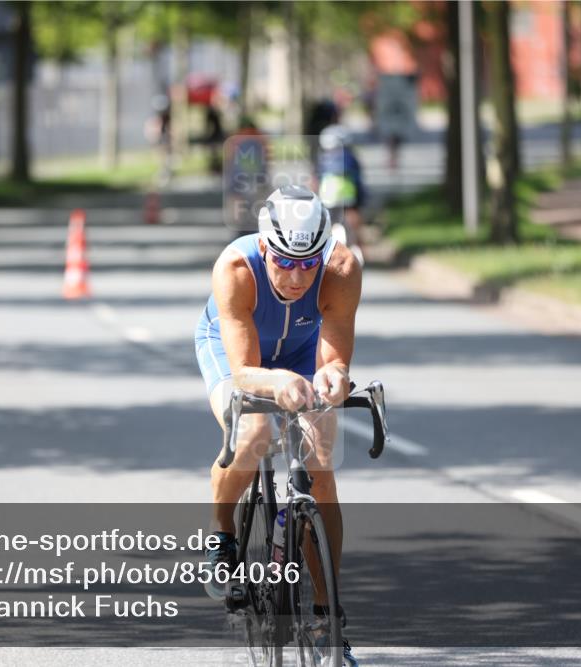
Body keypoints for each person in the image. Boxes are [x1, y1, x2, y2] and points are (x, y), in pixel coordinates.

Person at [194, 185, 362, 666]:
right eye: (285, 261)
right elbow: (246, 372)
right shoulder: (236, 269)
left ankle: (328, 620)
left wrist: (333, 379)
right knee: (256, 433)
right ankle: (222, 533)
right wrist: (279, 384)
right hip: (235, 352)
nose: (296, 275)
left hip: (301, 352)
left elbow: (333, 361)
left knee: (321, 463)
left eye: (308, 262)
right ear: (265, 246)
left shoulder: (343, 270)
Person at [317, 125, 367, 264]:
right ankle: (358, 249)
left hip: (327, 198)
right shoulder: (351, 158)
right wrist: (362, 198)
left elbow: (317, 178)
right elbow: (357, 180)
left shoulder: (322, 158)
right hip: (348, 198)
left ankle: (325, 253)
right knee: (354, 223)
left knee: (326, 227)